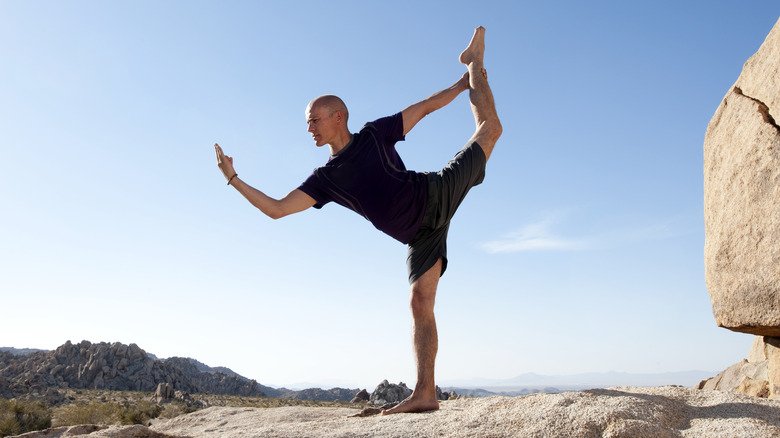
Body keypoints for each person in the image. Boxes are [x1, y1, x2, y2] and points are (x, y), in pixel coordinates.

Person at [215, 26, 501, 415]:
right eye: (307, 123)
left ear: (338, 116)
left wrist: (462, 84)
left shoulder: (372, 135)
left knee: (491, 129)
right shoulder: (325, 179)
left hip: (436, 194)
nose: (309, 128)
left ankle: (475, 62)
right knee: (420, 302)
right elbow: (277, 209)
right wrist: (233, 179)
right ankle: (425, 393)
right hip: (419, 237)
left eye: (314, 119)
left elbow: (423, 107)